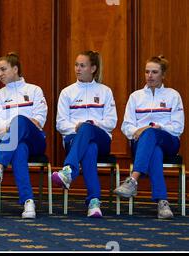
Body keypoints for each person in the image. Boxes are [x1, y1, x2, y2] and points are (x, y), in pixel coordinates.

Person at [114, 55, 184, 219]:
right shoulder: (136, 96)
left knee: (152, 134)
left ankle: (133, 179)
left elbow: (178, 127)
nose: (150, 76)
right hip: (142, 144)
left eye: (154, 72)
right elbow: (126, 126)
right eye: (147, 72)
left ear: (163, 75)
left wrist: (155, 127)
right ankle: (162, 202)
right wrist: (141, 132)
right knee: (155, 151)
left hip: (169, 142)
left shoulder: (173, 95)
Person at [52, 50, 117, 218]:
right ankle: (94, 201)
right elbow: (60, 123)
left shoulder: (105, 91)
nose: (78, 69)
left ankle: (68, 171)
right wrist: (78, 128)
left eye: (82, 66)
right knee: (89, 149)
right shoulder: (67, 92)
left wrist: (91, 125)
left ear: (93, 68)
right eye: (76, 65)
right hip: (74, 139)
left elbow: (111, 122)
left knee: (88, 130)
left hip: (101, 138)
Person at [0, 52, 47, 219]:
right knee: (18, 149)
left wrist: (15, 125)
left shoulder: (34, 90)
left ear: (15, 69)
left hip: (35, 141)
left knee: (19, 121)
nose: (0, 74)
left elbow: (39, 120)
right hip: (12, 143)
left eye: (3, 69)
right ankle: (28, 202)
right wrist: (15, 127)